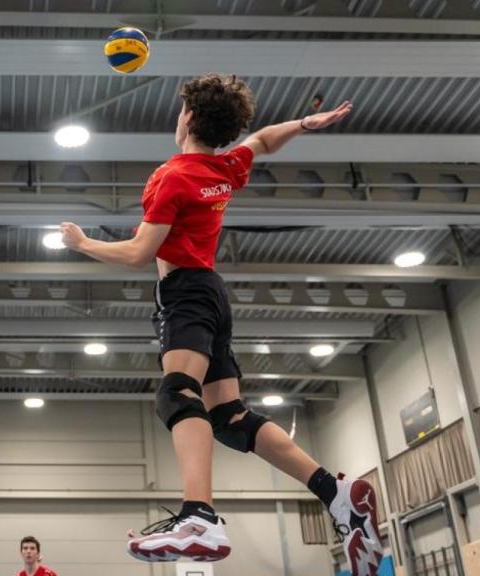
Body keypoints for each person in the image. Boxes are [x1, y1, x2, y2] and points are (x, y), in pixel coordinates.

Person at [60, 74, 381, 576]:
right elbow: (262, 140)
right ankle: (337, 494)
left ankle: (199, 516)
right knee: (229, 420)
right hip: (212, 294)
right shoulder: (224, 167)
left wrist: (82, 244)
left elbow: (140, 252)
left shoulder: (173, 176)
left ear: (187, 117)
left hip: (186, 294)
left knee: (176, 393)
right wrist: (304, 123)